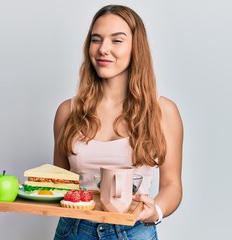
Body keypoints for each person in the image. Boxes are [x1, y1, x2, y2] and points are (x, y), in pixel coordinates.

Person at [53, 4, 183, 240]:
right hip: (74, 231)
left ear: (136, 48)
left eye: (116, 40)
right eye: (96, 39)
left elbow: (172, 186)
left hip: (134, 231)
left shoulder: (163, 111)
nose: (103, 49)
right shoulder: (67, 112)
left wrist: (155, 211)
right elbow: (59, 186)